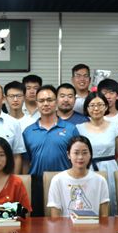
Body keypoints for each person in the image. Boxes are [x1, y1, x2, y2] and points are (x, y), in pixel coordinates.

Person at [22, 85, 79, 216]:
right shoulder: (28, 131)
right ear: (37, 103)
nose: (46, 104)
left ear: (56, 102)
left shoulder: (71, 129)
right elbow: (25, 162)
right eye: (41, 101)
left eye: (49, 100)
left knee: (64, 221)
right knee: (37, 222)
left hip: (65, 182)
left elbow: (77, 158)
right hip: (36, 184)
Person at [77, 92, 118, 215]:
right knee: (88, 201)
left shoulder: (116, 127)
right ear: (87, 108)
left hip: (110, 169)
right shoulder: (79, 128)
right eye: (92, 105)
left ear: (106, 107)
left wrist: (111, 166)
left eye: (100, 105)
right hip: (87, 169)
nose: (96, 108)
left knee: (110, 201)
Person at [47, 135, 110, 217]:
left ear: (90, 155)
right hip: (66, 225)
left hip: (93, 225)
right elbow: (55, 217)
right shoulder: (57, 180)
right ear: (68, 155)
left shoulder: (100, 181)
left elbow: (104, 216)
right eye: (76, 153)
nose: (80, 157)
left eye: (84, 153)